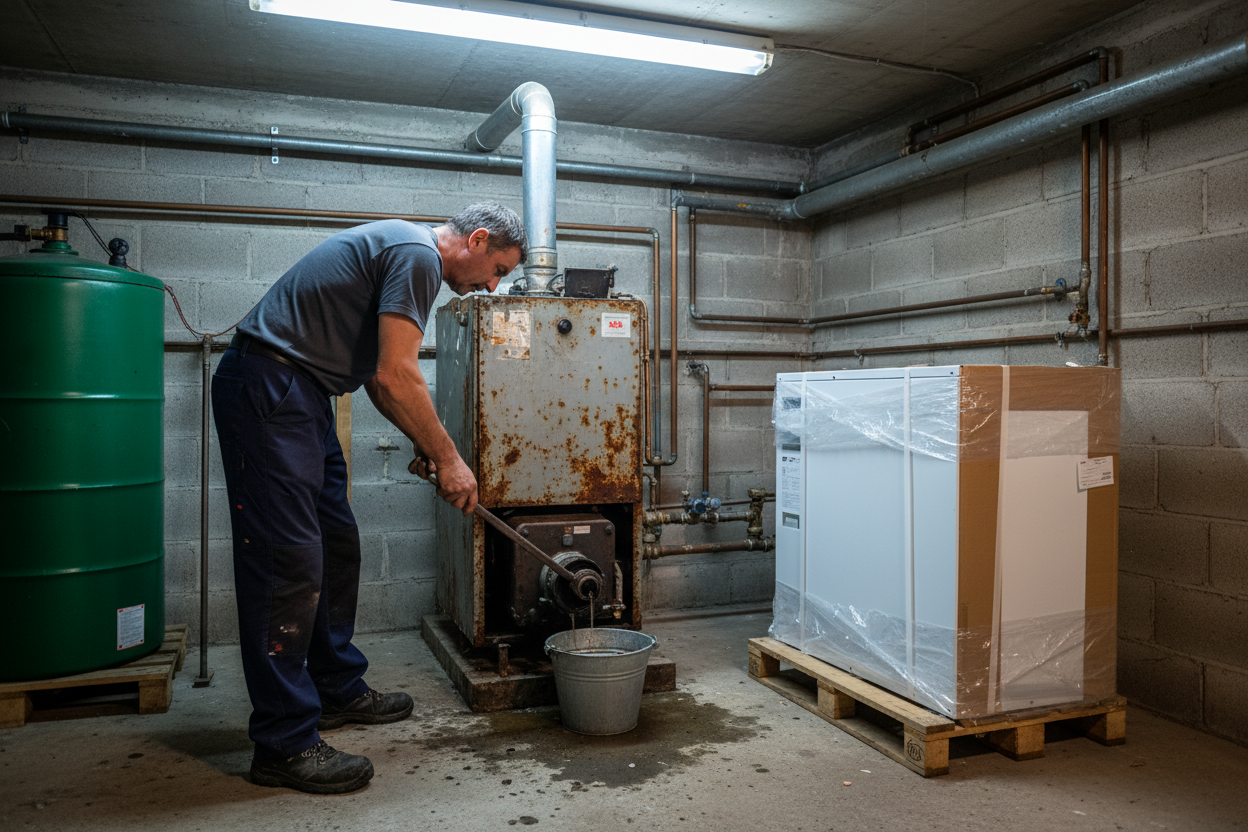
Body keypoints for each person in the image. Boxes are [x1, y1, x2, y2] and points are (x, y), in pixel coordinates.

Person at [211, 202, 526, 795]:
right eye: (497, 270)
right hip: (271, 386)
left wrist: (427, 445)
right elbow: (395, 376)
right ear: (477, 240)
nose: (491, 286)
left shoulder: (409, 253)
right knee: (287, 564)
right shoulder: (418, 256)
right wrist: (452, 461)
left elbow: (383, 381)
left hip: (305, 394)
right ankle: (284, 742)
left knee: (335, 544)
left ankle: (335, 689)